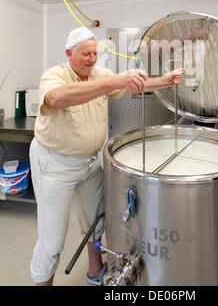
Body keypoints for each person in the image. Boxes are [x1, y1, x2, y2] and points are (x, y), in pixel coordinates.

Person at [29, 26, 184, 286]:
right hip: (54, 165)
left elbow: (135, 85)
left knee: (96, 220)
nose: (92, 59)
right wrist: (113, 81)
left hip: (89, 162)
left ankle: (94, 270)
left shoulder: (98, 74)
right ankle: (43, 282)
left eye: (94, 53)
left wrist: (166, 79)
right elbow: (55, 99)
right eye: (86, 54)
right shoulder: (54, 75)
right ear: (69, 53)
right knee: (52, 238)